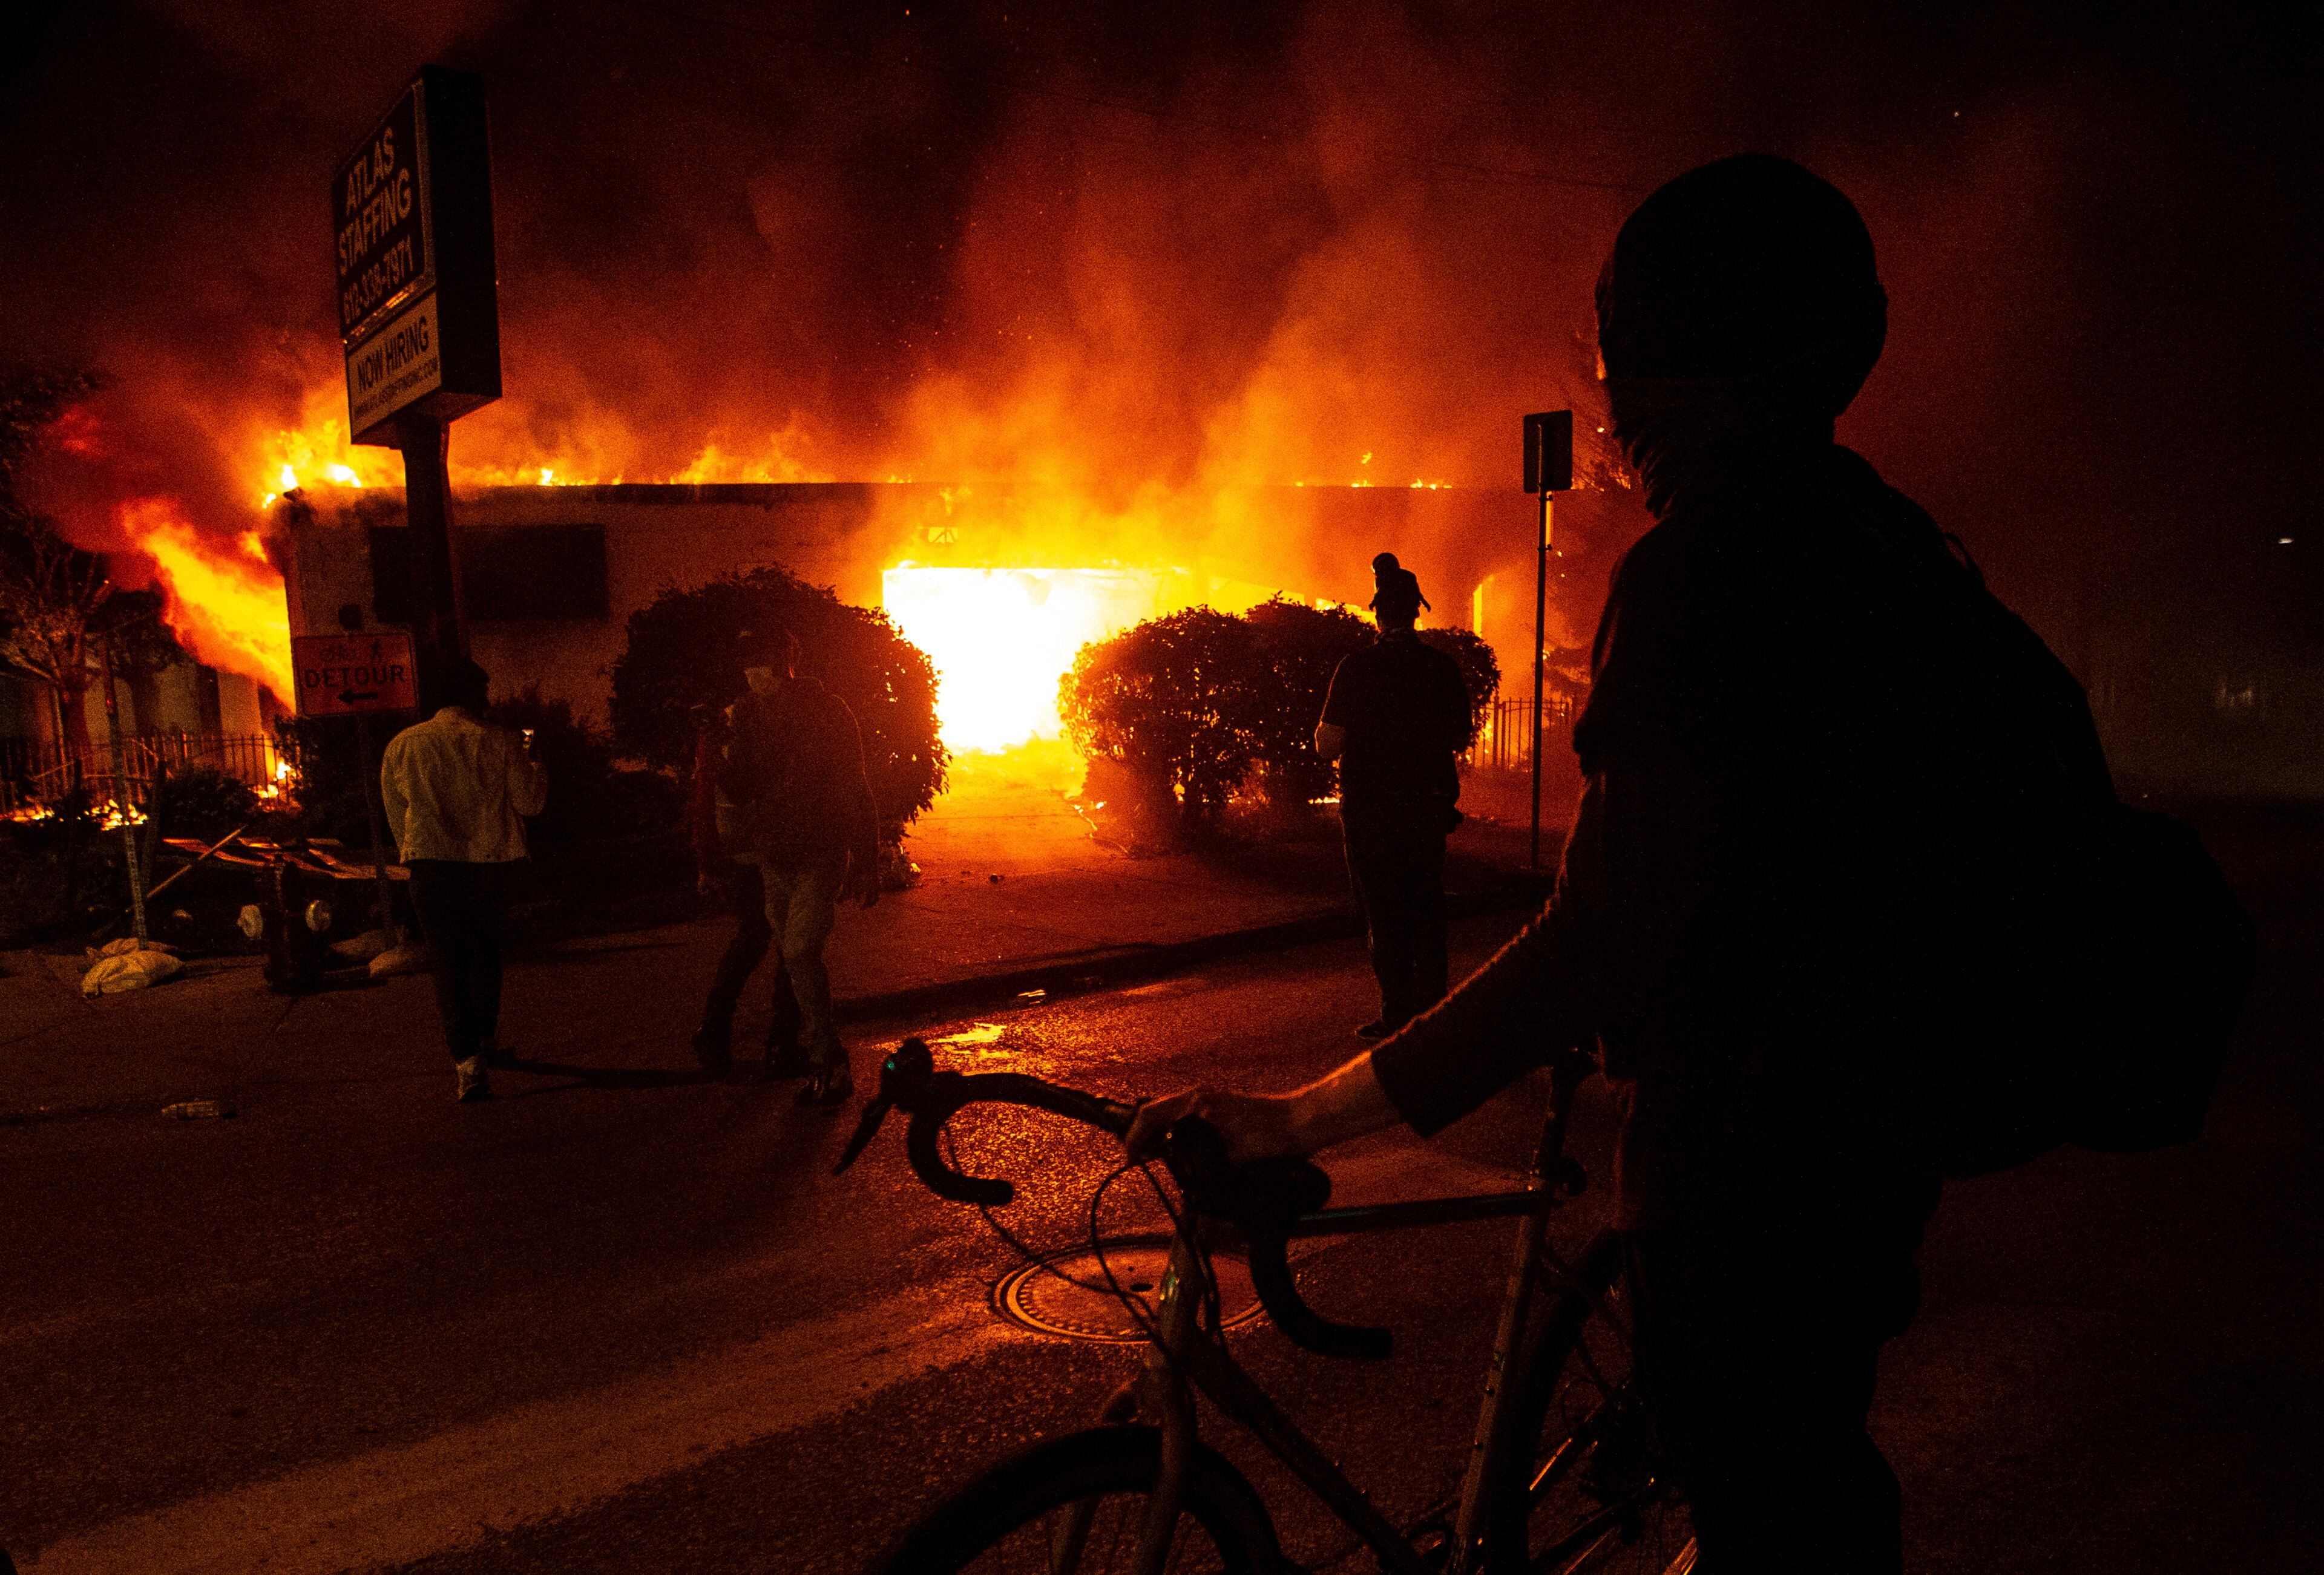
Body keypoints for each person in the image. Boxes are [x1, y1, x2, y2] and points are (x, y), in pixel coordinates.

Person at [1132, 156, 1958, 1574]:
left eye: (1616, 362)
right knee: (1800, 1461)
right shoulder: (1887, 537)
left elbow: (1598, 933)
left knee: (1767, 1486)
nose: (1607, 407)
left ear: (1662, 372)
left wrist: (1297, 1123)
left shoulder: (1712, 570)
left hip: (1755, 1157)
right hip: (1874, 1131)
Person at [719, 624, 880, 1107]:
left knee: (800, 952)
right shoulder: (747, 716)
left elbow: (856, 784)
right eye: (749, 660)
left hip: (820, 851)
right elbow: (741, 787)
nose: (756, 670)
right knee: (794, 956)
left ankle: (828, 1060)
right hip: (776, 856)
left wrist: (868, 860)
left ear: (790, 658)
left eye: (764, 657)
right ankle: (801, 1049)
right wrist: (718, 745)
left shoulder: (828, 711)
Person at [1315, 553, 1471, 1039]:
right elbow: (1460, 736)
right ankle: (1435, 1012)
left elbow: (1328, 745)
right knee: (1426, 901)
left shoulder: (1356, 667)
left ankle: (1398, 1013)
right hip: (1426, 805)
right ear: (1415, 612)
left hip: (1370, 808)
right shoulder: (1441, 669)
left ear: (1379, 614)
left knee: (1382, 907)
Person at [381, 657, 547, 1103]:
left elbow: (398, 816)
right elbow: (530, 805)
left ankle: (468, 1061)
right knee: (485, 952)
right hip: (489, 862)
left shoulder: (402, 745)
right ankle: (486, 1036)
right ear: (475, 694)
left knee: (447, 960)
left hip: (431, 864)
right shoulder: (501, 741)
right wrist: (536, 759)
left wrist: (416, 853)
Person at [687, 655, 806, 1079]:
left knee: (761, 938)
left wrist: (707, 855)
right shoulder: (745, 721)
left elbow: (706, 792)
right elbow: (711, 788)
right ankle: (777, 1041)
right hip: (767, 846)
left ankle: (721, 1031)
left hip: (759, 845)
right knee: (785, 941)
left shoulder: (731, 721)